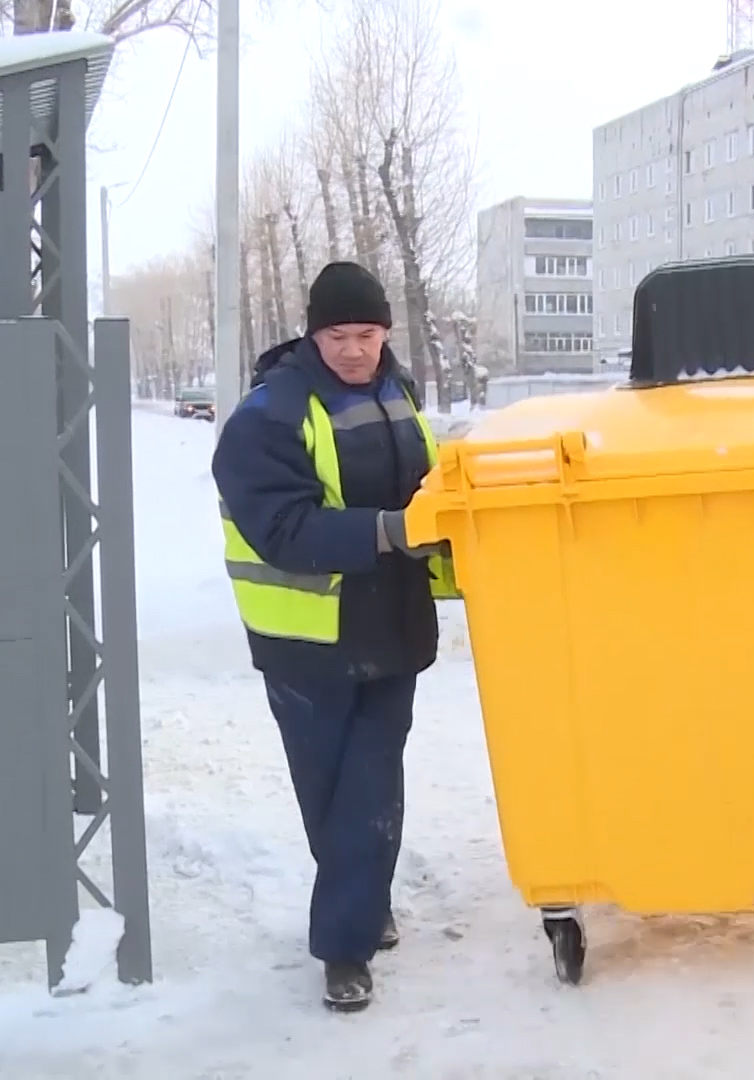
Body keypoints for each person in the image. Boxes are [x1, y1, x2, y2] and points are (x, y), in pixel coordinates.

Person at [210, 261, 458, 1012]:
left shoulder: (399, 392)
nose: (355, 349)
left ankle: (346, 938)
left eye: (369, 333)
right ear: (312, 335)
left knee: (372, 780)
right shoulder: (267, 416)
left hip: (392, 625)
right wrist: (391, 532)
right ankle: (356, 918)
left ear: (387, 332)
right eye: (339, 335)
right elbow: (280, 526)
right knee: (332, 791)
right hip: (307, 642)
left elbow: (428, 486)